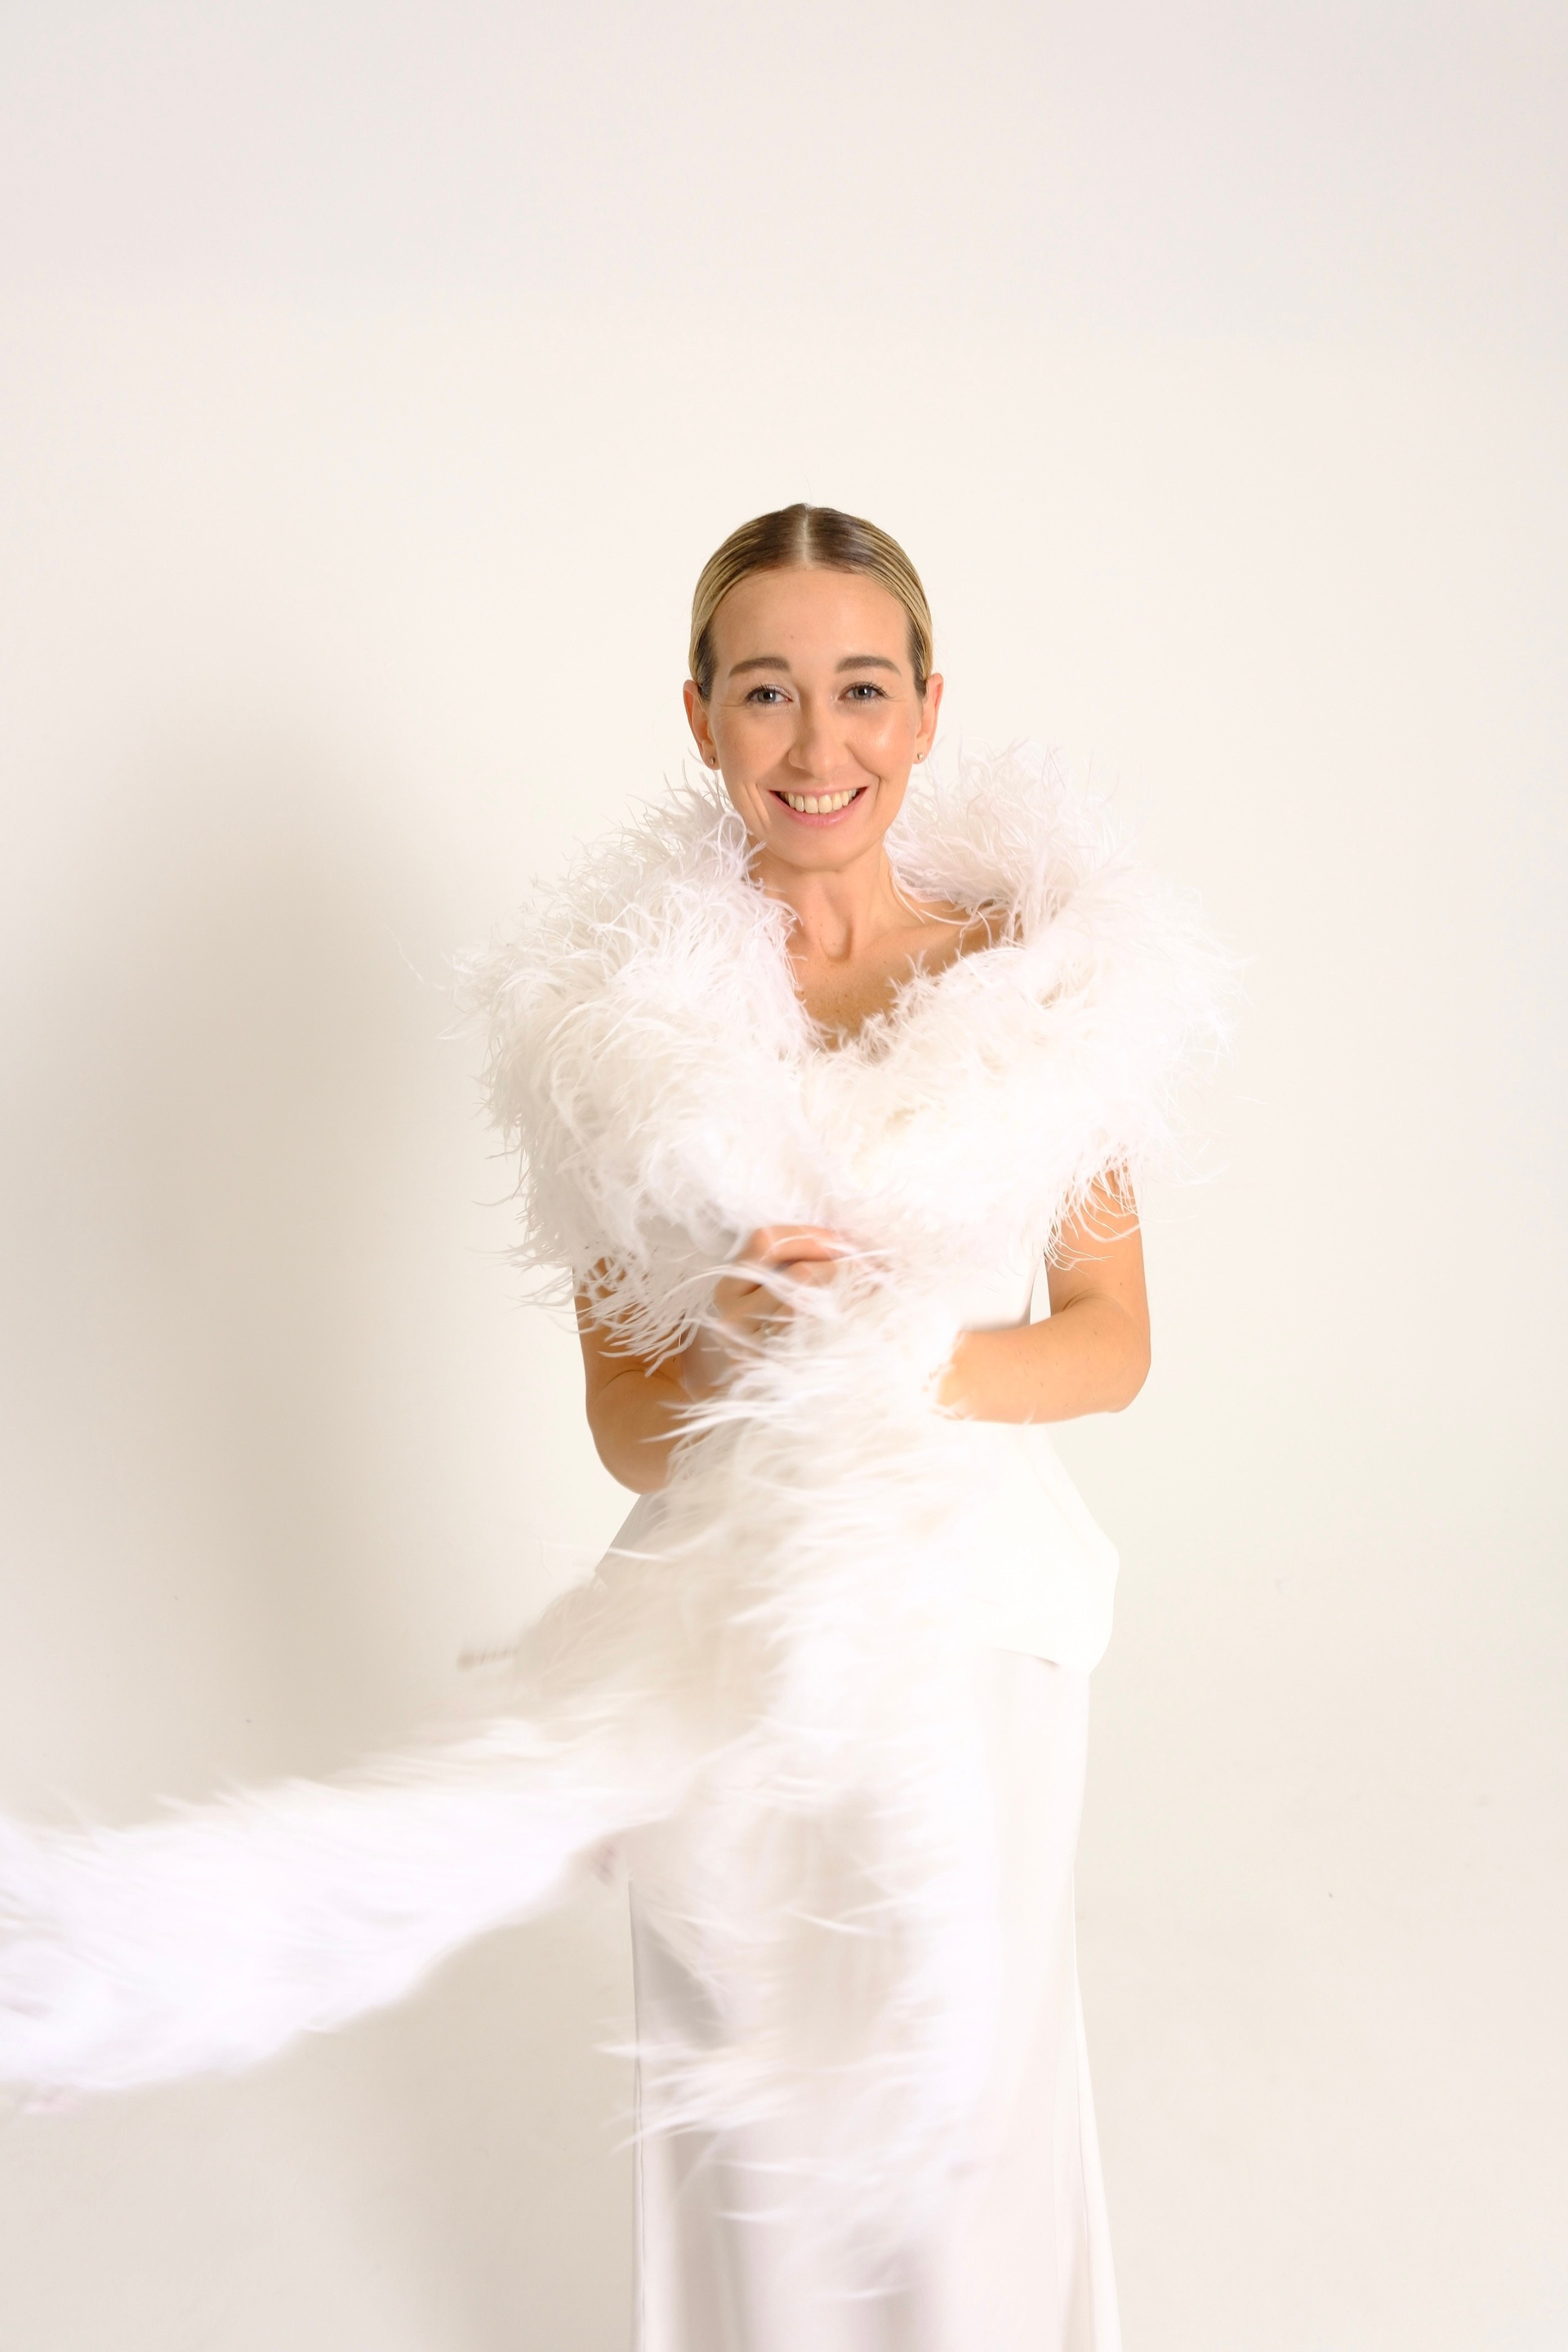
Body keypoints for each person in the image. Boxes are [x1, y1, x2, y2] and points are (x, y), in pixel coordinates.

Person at [0, 505, 1229, 2352]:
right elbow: (631, 1428)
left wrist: (893, 1357)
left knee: (952, 2075)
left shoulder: (1044, 990)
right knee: (747, 2084)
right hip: (714, 1633)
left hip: (971, 1608)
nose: (816, 742)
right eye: (766, 691)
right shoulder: (617, 1039)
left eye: (860, 688)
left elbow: (1110, 1344)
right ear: (700, 713)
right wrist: (741, 1335)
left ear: (926, 707)